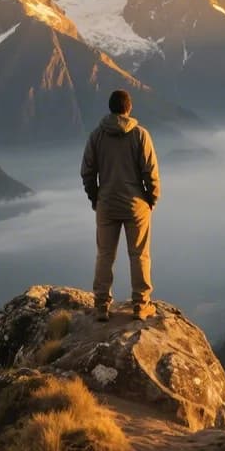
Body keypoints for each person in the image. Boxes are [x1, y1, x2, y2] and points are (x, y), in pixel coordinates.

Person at [81, 89, 160, 321]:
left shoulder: (96, 136)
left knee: (105, 255)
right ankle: (140, 305)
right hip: (136, 205)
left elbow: (87, 172)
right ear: (129, 108)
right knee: (139, 255)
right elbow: (151, 173)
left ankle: (102, 306)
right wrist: (151, 199)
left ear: (110, 108)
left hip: (106, 203)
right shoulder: (140, 135)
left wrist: (96, 197)